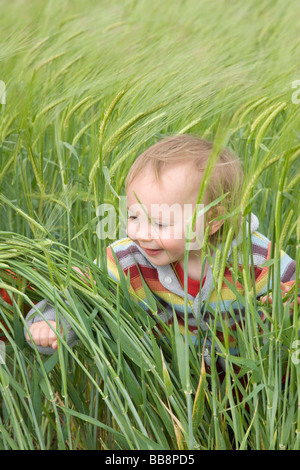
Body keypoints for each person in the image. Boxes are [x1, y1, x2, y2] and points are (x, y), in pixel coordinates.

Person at [24, 134, 297, 368]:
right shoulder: (127, 260)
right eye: (133, 217)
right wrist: (53, 323)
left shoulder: (255, 257)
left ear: (213, 221)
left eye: (160, 222)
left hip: (252, 386)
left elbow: (292, 288)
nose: (141, 233)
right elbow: (81, 295)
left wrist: (286, 304)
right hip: (170, 393)